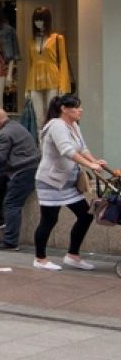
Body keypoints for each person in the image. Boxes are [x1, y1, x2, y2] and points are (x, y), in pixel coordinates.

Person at [32, 93, 110, 271]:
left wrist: (94, 161)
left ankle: (72, 256)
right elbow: (66, 150)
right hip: (50, 181)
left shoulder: (72, 125)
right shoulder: (57, 125)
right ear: (64, 109)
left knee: (86, 215)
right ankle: (40, 258)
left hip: (67, 181)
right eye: (76, 107)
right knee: (49, 220)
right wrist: (89, 164)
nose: (80, 110)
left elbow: (82, 148)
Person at [0, 107, 39, 252]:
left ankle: (10, 242)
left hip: (24, 171)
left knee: (12, 204)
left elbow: (0, 157)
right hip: (17, 170)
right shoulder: (15, 126)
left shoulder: (5, 133)